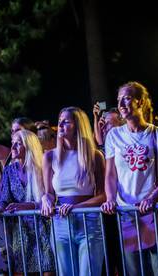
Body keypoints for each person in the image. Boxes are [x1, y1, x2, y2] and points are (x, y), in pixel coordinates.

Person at [101, 82, 158, 275]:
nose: (121, 105)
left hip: (157, 210)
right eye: (119, 100)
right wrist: (110, 199)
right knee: (135, 270)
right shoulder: (113, 135)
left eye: (126, 98)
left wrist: (151, 199)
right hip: (127, 213)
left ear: (140, 101)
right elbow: (110, 174)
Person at [41, 106, 105, 276]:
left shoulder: (95, 156)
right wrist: (45, 199)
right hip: (61, 223)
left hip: (89, 221)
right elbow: (48, 192)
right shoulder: (49, 156)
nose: (60, 125)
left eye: (66, 121)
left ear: (78, 125)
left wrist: (78, 207)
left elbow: (103, 195)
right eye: (59, 121)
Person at [0, 129, 55, 274]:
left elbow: (50, 198)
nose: (12, 147)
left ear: (29, 146)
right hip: (20, 230)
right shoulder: (9, 170)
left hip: (43, 227)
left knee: (48, 269)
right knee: (22, 270)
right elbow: (5, 198)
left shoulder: (41, 168)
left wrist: (24, 206)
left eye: (18, 144)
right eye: (12, 143)